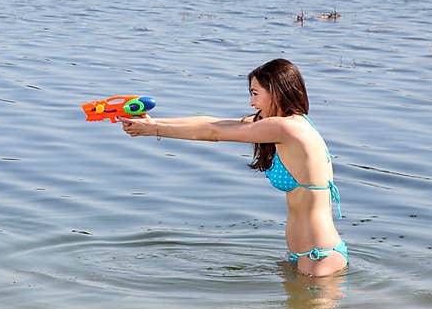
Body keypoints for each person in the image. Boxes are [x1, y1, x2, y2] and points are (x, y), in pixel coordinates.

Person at [119, 58, 346, 276]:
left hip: (319, 259)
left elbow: (214, 133)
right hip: (306, 256)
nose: (251, 102)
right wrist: (153, 123)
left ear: (276, 92)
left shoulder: (285, 128)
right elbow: (215, 122)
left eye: (255, 94)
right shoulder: (287, 123)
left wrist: (153, 131)